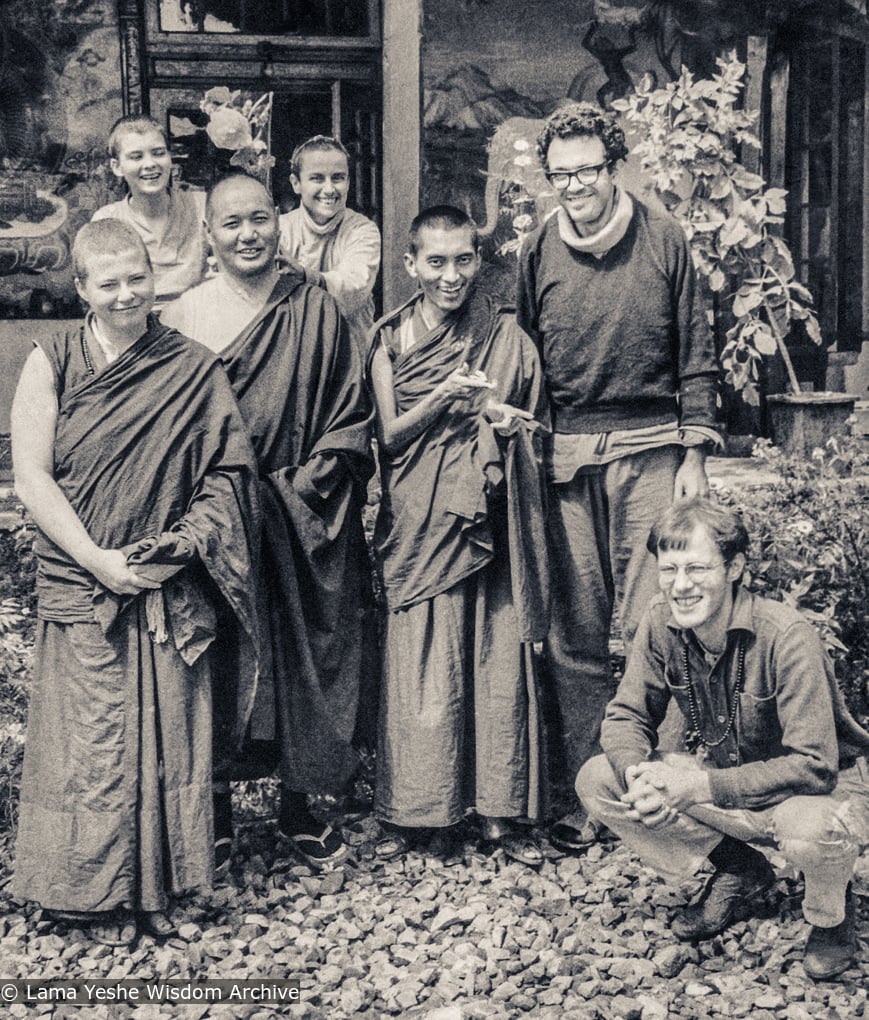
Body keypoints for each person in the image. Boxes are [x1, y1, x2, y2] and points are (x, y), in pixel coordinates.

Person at [10, 220, 260, 946]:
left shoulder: (191, 367)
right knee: (90, 740)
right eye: (108, 283)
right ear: (81, 289)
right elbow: (32, 477)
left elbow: (227, 475)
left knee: (170, 737)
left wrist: (184, 543)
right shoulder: (51, 357)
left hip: (165, 579)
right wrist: (96, 558)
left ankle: (162, 890)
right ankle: (85, 893)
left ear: (155, 277)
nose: (126, 294)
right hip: (84, 578)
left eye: (136, 279)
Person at [516, 101, 721, 850]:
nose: (574, 187)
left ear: (614, 165)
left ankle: (655, 792)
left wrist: (694, 452)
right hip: (566, 458)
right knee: (572, 633)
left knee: (654, 626)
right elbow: (525, 357)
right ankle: (586, 789)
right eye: (559, 174)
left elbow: (697, 350)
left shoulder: (664, 238)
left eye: (587, 171)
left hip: (652, 449)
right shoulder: (537, 248)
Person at [162, 172, 374, 870]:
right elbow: (173, 430)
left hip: (301, 510)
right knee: (218, 658)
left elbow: (350, 415)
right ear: (210, 234)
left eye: (259, 219)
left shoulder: (314, 307)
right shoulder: (185, 314)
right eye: (232, 224)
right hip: (220, 518)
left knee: (306, 654)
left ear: (276, 225)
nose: (248, 234)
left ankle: (298, 804)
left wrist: (306, 486)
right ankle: (215, 812)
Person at [577, 498, 869, 979]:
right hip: (733, 783)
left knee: (814, 830)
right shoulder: (660, 622)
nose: (681, 584)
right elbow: (626, 716)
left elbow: (814, 765)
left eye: (696, 567)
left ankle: (831, 915)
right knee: (599, 779)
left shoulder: (786, 636)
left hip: (824, 793)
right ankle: (741, 870)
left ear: (735, 567)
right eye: (669, 569)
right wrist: (638, 773)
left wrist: (694, 788)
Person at [367, 205, 550, 864]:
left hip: (485, 519)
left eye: (462, 260)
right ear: (410, 264)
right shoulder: (387, 338)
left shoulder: (506, 338)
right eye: (435, 262)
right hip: (417, 521)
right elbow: (386, 435)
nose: (450, 276)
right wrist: (445, 396)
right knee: (421, 665)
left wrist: (505, 426)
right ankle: (419, 809)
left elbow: (535, 426)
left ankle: (497, 810)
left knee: (492, 658)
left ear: (479, 259)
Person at [278, 135, 381, 355]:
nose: (329, 188)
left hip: (351, 352)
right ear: (296, 184)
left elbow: (353, 287)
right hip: (295, 353)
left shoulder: (363, 230)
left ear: (349, 182)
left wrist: (304, 275)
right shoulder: (281, 229)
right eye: (317, 178)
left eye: (338, 178)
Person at [92, 115, 207, 308]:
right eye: (136, 156)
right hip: (137, 326)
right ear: (117, 167)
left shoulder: (201, 207)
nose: (150, 164)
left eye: (158, 153)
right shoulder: (107, 221)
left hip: (199, 321)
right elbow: (103, 295)